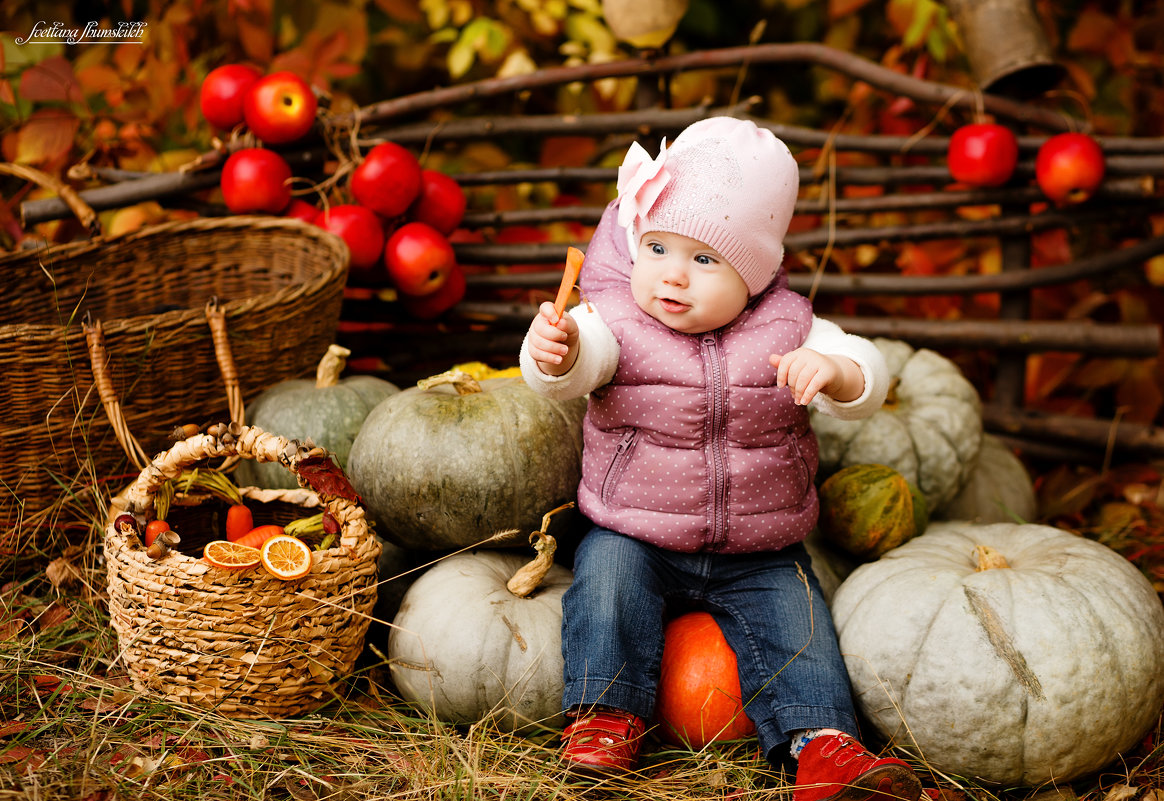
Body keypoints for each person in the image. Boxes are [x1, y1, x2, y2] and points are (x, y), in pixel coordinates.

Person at [518, 116, 922, 801]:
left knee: (799, 623)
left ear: (755, 272)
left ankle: (824, 746)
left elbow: (866, 370)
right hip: (636, 529)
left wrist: (835, 369)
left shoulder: (790, 324)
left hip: (760, 544)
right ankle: (603, 723)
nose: (673, 276)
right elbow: (577, 362)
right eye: (657, 247)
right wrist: (552, 354)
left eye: (705, 260)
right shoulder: (615, 322)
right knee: (607, 582)